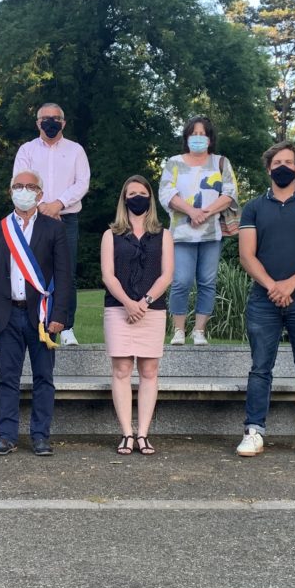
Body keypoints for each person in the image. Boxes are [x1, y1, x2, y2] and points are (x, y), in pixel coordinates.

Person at [236, 142, 295, 459]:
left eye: (288, 162)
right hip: (262, 300)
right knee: (260, 369)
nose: (282, 167)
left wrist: (290, 284)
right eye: (277, 162)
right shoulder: (253, 207)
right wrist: (272, 286)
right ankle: (253, 431)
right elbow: (246, 255)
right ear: (268, 168)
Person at [0, 170, 74, 456]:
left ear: (40, 194)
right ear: (10, 192)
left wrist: (60, 315)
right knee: (8, 378)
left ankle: (40, 436)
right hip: (7, 314)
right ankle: (6, 436)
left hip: (42, 317)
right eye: (18, 186)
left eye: (30, 186)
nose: (23, 190)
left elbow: (64, 276)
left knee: (44, 377)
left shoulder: (54, 229)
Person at [101, 176, 174, 455]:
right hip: (118, 309)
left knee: (149, 371)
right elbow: (108, 275)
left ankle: (143, 434)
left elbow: (167, 275)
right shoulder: (110, 235)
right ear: (124, 199)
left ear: (150, 198)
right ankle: (126, 434)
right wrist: (128, 304)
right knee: (121, 370)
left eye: (142, 193)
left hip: (152, 311)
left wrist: (144, 303)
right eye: (132, 194)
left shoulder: (163, 235)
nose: (137, 198)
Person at [12, 102, 89, 345]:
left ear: (63, 123)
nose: (50, 122)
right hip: (34, 217)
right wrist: (42, 205)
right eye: (45, 118)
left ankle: (66, 326)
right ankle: (34, 321)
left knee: (66, 272)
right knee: (33, 270)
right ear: (38, 123)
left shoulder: (76, 150)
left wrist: (58, 204)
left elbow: (82, 183)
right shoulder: (27, 150)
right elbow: (20, 181)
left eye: (55, 118)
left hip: (67, 218)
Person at [158, 115, 237, 346]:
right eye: (194, 134)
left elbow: (229, 193)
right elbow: (166, 193)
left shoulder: (221, 162)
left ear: (210, 139)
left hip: (211, 234)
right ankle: (179, 330)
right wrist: (192, 211)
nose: (198, 138)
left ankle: (199, 331)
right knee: (181, 281)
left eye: (203, 134)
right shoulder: (174, 162)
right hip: (181, 234)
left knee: (207, 282)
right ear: (186, 137)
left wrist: (206, 212)